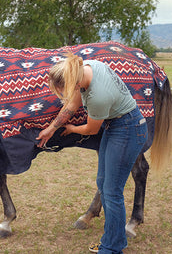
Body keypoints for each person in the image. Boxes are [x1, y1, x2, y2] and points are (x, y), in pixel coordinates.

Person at [37, 52, 148, 253]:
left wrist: (71, 129)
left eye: (66, 89)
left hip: (128, 129)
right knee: (103, 183)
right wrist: (52, 128)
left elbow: (90, 130)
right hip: (116, 127)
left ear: (73, 81)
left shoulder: (98, 96)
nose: (66, 94)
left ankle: (112, 247)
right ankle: (113, 238)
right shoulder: (87, 67)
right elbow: (72, 105)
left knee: (112, 191)